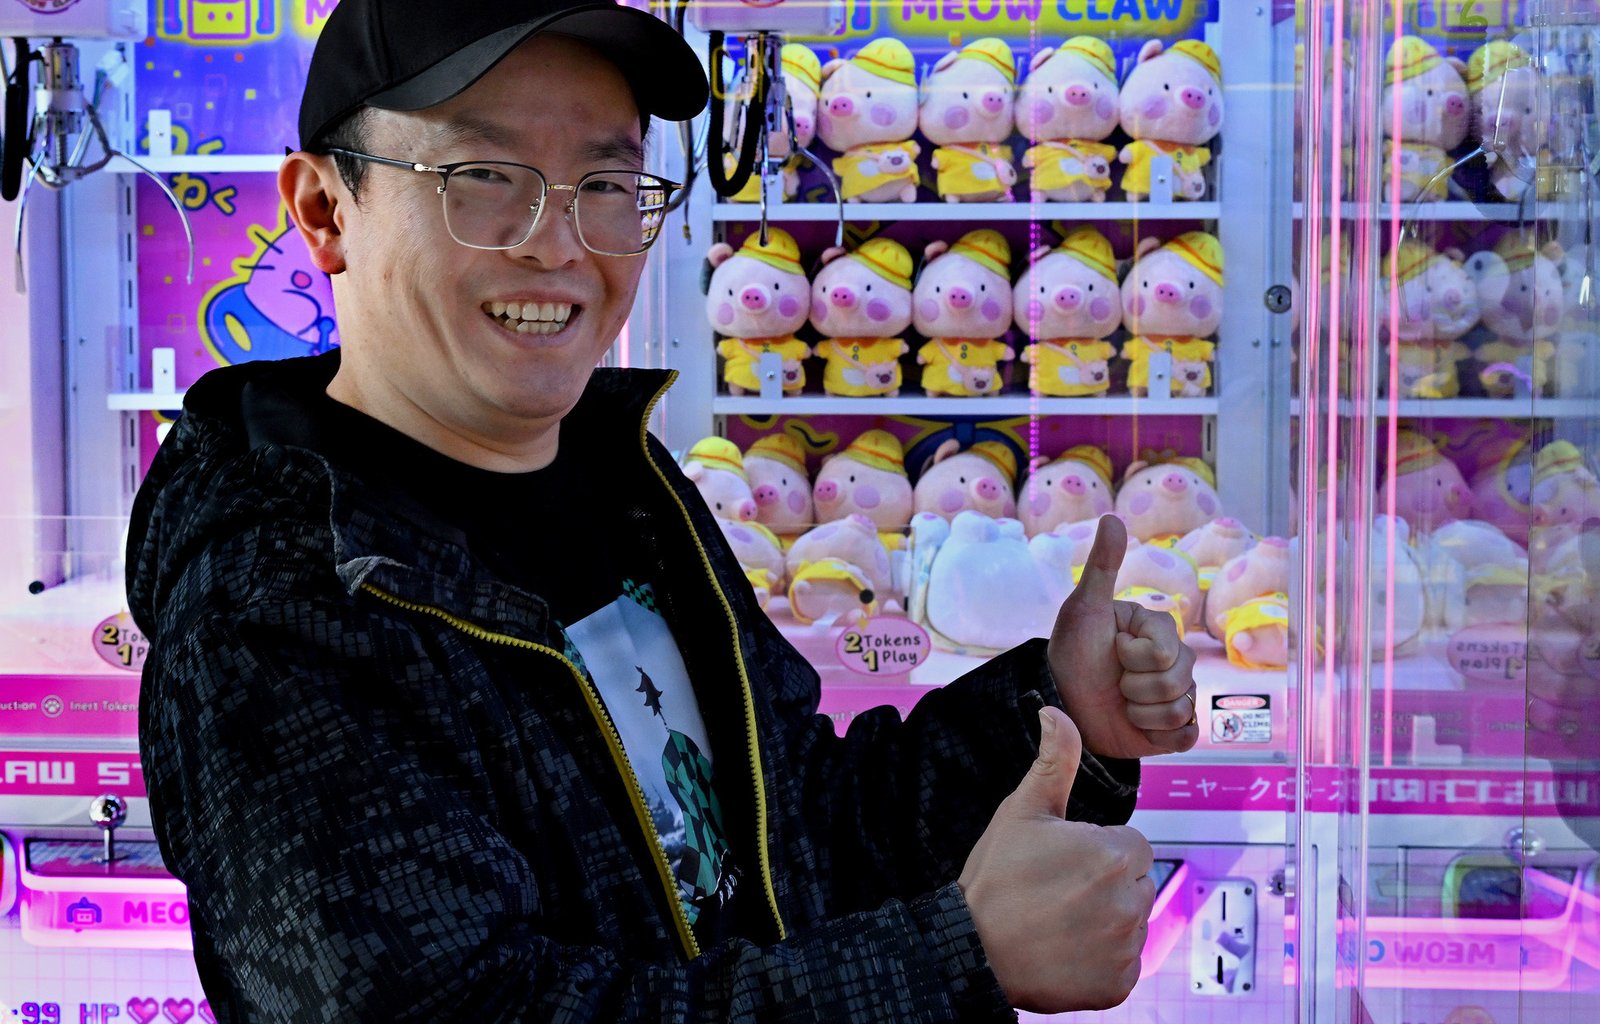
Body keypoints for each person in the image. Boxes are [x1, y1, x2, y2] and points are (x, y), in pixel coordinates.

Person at [127, 1, 1199, 1019]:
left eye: (606, 180)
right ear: (325, 210)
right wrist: (950, 959)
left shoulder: (628, 488)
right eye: (483, 175)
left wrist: (1049, 709)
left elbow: (791, 831)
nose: (558, 243)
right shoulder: (279, 603)